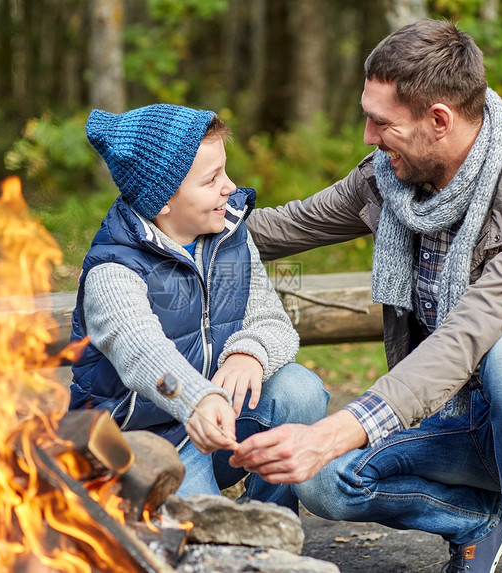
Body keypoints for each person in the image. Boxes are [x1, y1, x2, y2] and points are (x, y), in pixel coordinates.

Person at [231, 19, 502, 573]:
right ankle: (477, 523)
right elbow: (284, 228)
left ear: (438, 119)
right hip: (449, 418)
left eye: (380, 121)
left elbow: (470, 335)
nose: (367, 136)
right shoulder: (388, 178)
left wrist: (336, 430)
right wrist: (175, 217)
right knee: (320, 481)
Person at [69, 103, 329, 513]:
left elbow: (273, 322)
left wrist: (249, 352)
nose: (229, 187)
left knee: (299, 391)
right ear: (162, 201)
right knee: (202, 535)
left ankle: (273, 521)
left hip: (214, 423)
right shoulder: (115, 271)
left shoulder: (227, 239)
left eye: (224, 171)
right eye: (211, 180)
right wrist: (197, 398)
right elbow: (143, 353)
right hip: (143, 444)